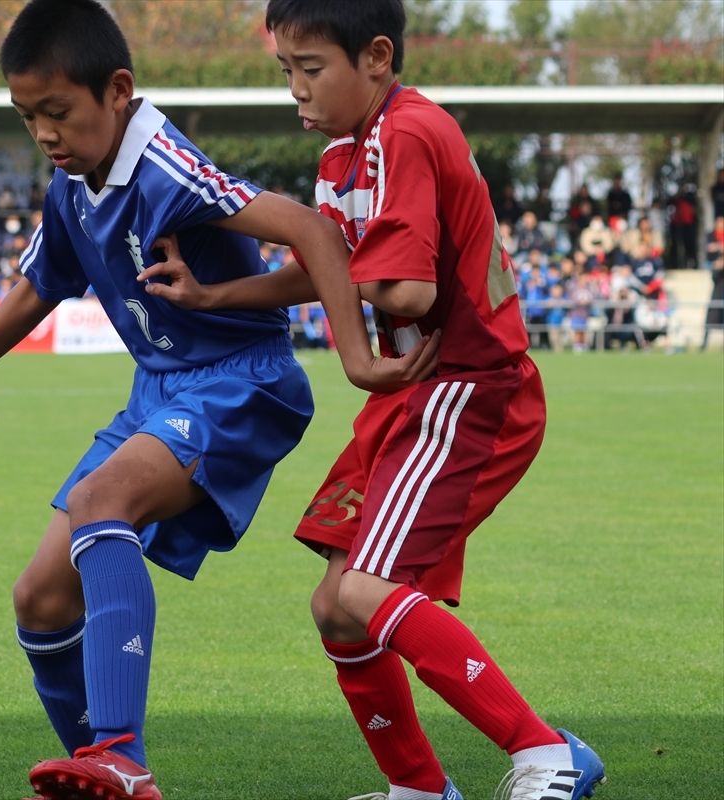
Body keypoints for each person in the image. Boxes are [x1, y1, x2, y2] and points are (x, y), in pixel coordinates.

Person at [0, 2, 436, 798]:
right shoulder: (72, 182)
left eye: (57, 113)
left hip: (243, 381)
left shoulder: (164, 165)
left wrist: (356, 359)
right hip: (159, 394)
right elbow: (39, 285)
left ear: (118, 91)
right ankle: (99, 776)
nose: (43, 134)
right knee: (40, 595)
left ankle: (120, 754)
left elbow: (316, 233)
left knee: (103, 499)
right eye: (27, 116)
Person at [140, 3, 605, 799]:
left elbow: (410, 290)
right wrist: (216, 294)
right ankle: (418, 788)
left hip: (464, 390)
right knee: (336, 607)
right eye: (285, 70)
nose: (296, 90)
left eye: (310, 68)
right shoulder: (342, 157)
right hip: (408, 398)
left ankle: (547, 753)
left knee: (362, 592)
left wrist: (332, 262)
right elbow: (333, 267)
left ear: (378, 57)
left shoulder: (410, 134)